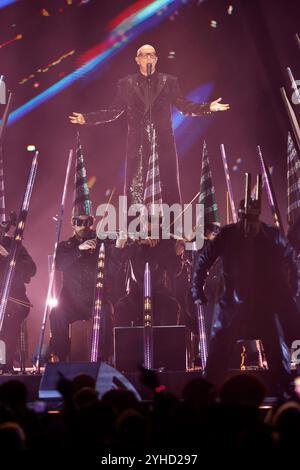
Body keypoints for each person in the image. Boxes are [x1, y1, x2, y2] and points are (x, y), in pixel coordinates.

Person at [69, 44, 229, 207]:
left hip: (163, 145)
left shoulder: (169, 81)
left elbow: (183, 106)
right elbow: (113, 111)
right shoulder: (126, 84)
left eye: (152, 55)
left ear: (157, 59)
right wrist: (87, 118)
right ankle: (135, 229)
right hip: (137, 146)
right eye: (145, 55)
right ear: (137, 60)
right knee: (136, 190)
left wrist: (207, 107)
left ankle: (170, 228)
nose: (149, 58)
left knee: (167, 188)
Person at [191, 196, 300, 393]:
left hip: (264, 307)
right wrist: (197, 289)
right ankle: (206, 394)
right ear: (240, 217)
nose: (249, 226)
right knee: (217, 354)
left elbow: (293, 260)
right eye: (245, 220)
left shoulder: (271, 235)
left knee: (277, 353)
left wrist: (291, 292)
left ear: (258, 218)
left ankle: (285, 395)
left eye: (253, 220)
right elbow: (203, 262)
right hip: (232, 306)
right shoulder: (227, 235)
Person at [49, 141, 114, 361]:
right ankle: (61, 356)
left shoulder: (102, 241)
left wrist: (122, 244)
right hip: (71, 299)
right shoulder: (66, 246)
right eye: (80, 222)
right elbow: (59, 265)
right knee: (56, 313)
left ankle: (104, 358)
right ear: (72, 223)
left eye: (88, 222)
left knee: (106, 315)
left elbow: (117, 261)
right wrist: (79, 249)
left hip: (96, 298)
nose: (84, 226)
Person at [0, 223, 36, 372]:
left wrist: (8, 257)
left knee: (8, 317)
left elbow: (31, 269)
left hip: (14, 300)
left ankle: (5, 364)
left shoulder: (13, 245)